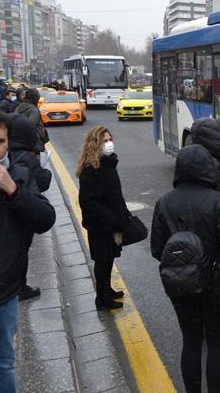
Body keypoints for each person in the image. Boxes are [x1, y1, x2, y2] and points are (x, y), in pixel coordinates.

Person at [151, 144, 220, 393]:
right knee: (217, 342)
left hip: (180, 285)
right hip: (216, 284)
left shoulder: (164, 202)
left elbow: (158, 249)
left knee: (190, 341)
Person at [0, 109, 55, 393]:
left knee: (2, 366)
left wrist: (12, 189)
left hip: (4, 296)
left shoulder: (20, 176)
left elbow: (44, 220)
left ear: (8, 143)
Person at [77, 127, 131, 310]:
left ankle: (107, 289)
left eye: (110, 139)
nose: (109, 143)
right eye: (105, 140)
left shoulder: (107, 163)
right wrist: (111, 219)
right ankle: (101, 298)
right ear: (95, 144)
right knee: (102, 261)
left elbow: (114, 194)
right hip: (100, 225)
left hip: (111, 222)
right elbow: (89, 202)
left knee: (109, 258)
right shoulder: (90, 169)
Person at [9, 115, 53, 301]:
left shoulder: (6, 153)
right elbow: (41, 182)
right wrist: (46, 171)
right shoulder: (28, 156)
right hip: (22, 213)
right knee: (20, 251)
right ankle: (20, 288)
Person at [14, 88, 49, 153]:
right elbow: (30, 125)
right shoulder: (34, 109)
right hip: (35, 141)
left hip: (20, 140)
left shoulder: (18, 107)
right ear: (35, 98)